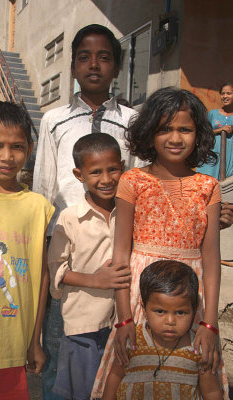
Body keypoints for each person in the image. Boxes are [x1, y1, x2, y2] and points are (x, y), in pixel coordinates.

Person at [92, 87, 229, 399]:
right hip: (141, 298)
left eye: (185, 129)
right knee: (131, 376)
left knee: (193, 376)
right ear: (149, 133)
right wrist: (125, 319)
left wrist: (209, 326)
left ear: (199, 134)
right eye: (165, 128)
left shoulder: (209, 187)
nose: (175, 138)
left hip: (190, 302)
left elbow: (211, 261)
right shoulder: (132, 182)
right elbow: (121, 255)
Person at [32, 24, 141, 399]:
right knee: (62, 348)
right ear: (74, 66)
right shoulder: (53, 120)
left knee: (114, 356)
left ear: (116, 67)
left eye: (104, 57)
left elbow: (139, 183)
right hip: (67, 245)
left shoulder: (133, 122)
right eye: (84, 57)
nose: (94, 64)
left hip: (118, 245)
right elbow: (44, 188)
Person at [0, 101, 54, 399]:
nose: (7, 156)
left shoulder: (37, 208)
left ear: (29, 149)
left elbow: (41, 276)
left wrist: (35, 341)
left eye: (16, 146)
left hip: (12, 347)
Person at [48, 133, 131, 400]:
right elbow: (56, 269)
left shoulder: (132, 211)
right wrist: (96, 280)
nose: (106, 179)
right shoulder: (69, 218)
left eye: (113, 169)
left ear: (124, 167)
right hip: (84, 327)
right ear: (79, 174)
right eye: (95, 172)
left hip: (124, 323)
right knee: (82, 392)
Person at [103, 260, 223, 400]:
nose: (170, 321)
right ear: (144, 308)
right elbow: (115, 376)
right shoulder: (132, 341)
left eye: (180, 313)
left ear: (194, 309)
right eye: (160, 311)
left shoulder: (199, 347)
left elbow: (211, 392)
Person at [197, 82, 233, 180]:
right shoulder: (213, 114)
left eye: (229, 93)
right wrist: (221, 130)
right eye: (222, 93)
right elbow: (202, 132)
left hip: (230, 158)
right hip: (212, 156)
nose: (225, 96)